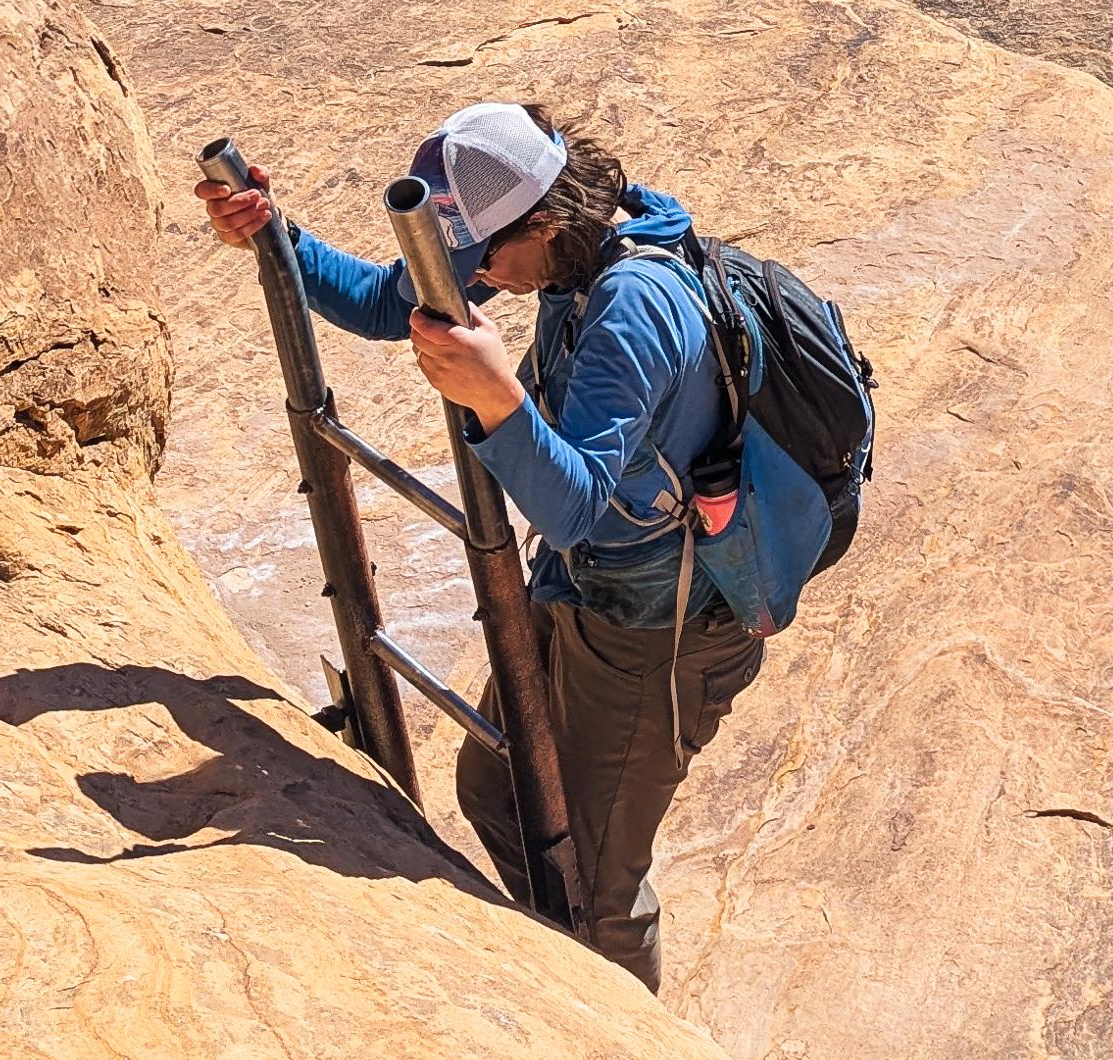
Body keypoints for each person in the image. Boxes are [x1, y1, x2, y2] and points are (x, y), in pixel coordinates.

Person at [196, 100, 762, 993]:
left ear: (542, 221)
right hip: (587, 584)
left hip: (663, 627)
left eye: (484, 258)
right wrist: (277, 237)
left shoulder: (632, 308)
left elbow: (575, 506)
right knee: (500, 789)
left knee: (602, 884)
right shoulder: (567, 241)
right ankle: (565, 981)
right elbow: (395, 305)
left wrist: (498, 400)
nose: (479, 278)